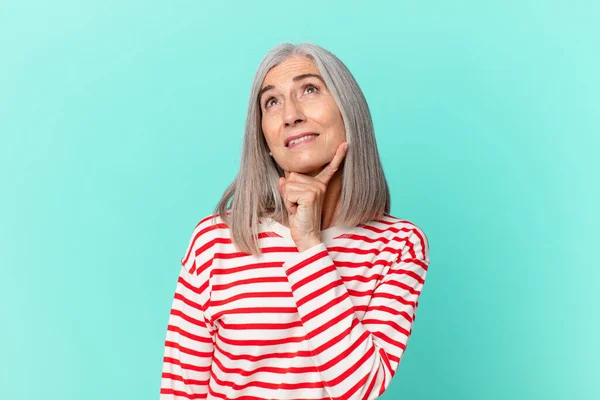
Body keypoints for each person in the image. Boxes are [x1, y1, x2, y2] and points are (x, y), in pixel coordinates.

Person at [159, 42, 430, 400]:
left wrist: (309, 243)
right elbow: (181, 391)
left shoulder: (397, 246)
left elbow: (359, 387)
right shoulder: (215, 241)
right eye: (272, 101)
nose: (291, 115)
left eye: (310, 89)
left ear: (349, 113)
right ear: (265, 137)